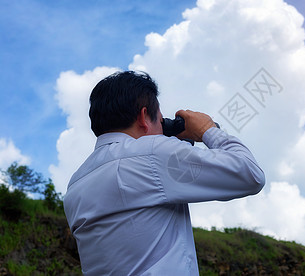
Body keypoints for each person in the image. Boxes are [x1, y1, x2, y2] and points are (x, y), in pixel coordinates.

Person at [63, 71, 265, 275]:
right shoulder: (152, 154)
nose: (162, 129)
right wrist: (207, 129)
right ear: (143, 116)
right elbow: (250, 174)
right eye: (160, 122)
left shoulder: (75, 184)